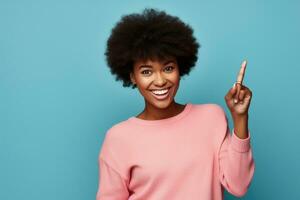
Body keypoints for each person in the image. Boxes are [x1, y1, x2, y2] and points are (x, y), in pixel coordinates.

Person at [96, 8, 255, 200]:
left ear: (180, 69)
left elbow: (238, 186)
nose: (160, 80)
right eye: (147, 71)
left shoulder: (211, 117)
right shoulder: (118, 138)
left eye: (168, 68)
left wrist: (240, 118)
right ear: (133, 77)